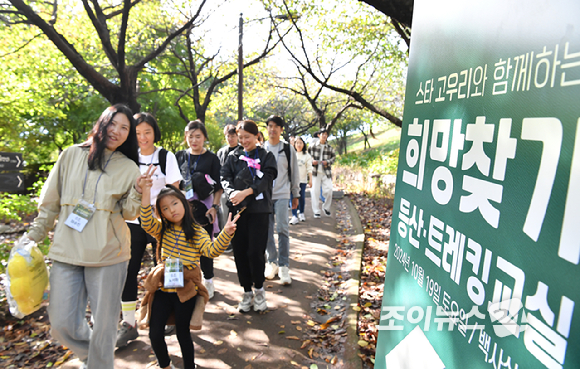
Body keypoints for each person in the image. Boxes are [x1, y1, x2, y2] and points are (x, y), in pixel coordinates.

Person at [24, 104, 143, 369]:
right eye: (113, 123)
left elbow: (129, 212)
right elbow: (50, 202)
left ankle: (99, 363)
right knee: (61, 322)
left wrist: (138, 190)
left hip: (109, 253)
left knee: (104, 326)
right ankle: (96, 358)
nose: (117, 131)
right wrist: (33, 235)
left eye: (125, 128)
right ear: (103, 122)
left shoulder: (129, 167)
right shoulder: (70, 155)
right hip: (67, 250)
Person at [138, 174, 239, 369]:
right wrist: (146, 192)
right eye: (165, 209)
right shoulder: (162, 230)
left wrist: (226, 233)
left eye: (174, 204)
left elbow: (212, 251)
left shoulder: (197, 231)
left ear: (184, 203)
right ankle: (165, 365)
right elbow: (146, 222)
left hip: (185, 291)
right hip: (163, 289)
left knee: (183, 333)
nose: (171, 210)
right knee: (155, 333)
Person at [116, 112, 183, 347]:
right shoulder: (126, 157)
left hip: (161, 224)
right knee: (128, 270)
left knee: (167, 268)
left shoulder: (165, 156)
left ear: (155, 132)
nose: (143, 137)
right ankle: (128, 323)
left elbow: (175, 190)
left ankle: (170, 316)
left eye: (147, 132)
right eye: (137, 133)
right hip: (133, 222)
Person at [221, 120, 277, 312]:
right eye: (241, 137)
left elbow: (268, 179)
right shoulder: (233, 157)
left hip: (259, 211)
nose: (244, 141)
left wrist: (246, 192)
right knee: (240, 253)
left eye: (247, 137)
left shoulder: (266, 156)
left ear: (256, 136)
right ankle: (246, 292)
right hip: (238, 211)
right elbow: (224, 177)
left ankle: (259, 290)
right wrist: (231, 193)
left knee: (255, 252)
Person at [175, 120, 223, 299]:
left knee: (204, 246)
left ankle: (208, 281)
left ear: (204, 137)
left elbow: (219, 187)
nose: (194, 140)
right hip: (181, 208)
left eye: (198, 136)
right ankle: (186, 284)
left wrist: (214, 208)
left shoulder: (212, 158)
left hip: (204, 207)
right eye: (190, 136)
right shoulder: (179, 156)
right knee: (181, 245)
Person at [263, 115, 300, 285]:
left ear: (281, 130)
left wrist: (296, 194)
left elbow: (294, 172)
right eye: (270, 126)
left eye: (276, 126)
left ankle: (284, 265)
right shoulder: (261, 148)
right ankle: (272, 263)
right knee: (267, 230)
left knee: (283, 229)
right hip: (264, 196)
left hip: (283, 194)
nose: (272, 129)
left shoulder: (287, 149)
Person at [217, 124, 241, 251]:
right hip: (224, 190)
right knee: (225, 215)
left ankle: (237, 241)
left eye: (233, 136)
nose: (230, 138)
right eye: (228, 136)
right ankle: (226, 242)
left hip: (239, 190)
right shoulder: (221, 152)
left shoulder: (242, 150)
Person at [308, 127, 336, 218]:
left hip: (326, 171)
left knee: (329, 190)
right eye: (323, 134)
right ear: (319, 135)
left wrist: (327, 162)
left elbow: (334, 157)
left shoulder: (329, 147)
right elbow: (307, 155)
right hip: (315, 172)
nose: (324, 136)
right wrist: (312, 161)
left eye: (326, 134)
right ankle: (316, 211)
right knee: (315, 192)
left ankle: (326, 207)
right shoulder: (313, 146)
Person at [291, 136, 313, 223]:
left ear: (303, 144)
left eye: (300, 143)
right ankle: (294, 216)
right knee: (292, 197)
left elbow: (309, 168)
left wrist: (310, 179)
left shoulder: (307, 156)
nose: (299, 145)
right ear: (294, 144)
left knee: (301, 197)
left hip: (302, 180)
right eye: (297, 143)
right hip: (292, 181)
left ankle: (301, 213)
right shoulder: (292, 154)